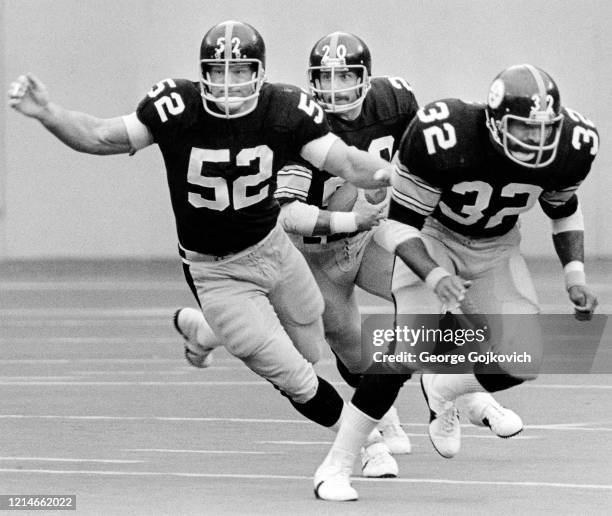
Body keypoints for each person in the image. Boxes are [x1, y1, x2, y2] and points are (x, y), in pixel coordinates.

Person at [8, 20, 394, 461]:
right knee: (291, 373)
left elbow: (345, 161)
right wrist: (48, 113)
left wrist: (389, 175)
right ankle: (362, 445)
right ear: (203, 73)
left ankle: (205, 331)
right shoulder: (177, 107)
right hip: (215, 268)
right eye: (219, 71)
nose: (229, 84)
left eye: (240, 71)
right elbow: (100, 136)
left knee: (309, 350)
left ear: (261, 73)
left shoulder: (285, 108)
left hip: (272, 245)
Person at [312, 63, 599, 501]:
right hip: (431, 237)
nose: (536, 141)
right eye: (523, 128)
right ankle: (336, 465)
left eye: (544, 130)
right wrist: (434, 273)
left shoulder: (573, 145)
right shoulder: (443, 134)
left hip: (497, 247)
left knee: (522, 358)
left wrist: (574, 274)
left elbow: (563, 209)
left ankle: (444, 386)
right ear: (494, 122)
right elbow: (395, 225)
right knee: (405, 352)